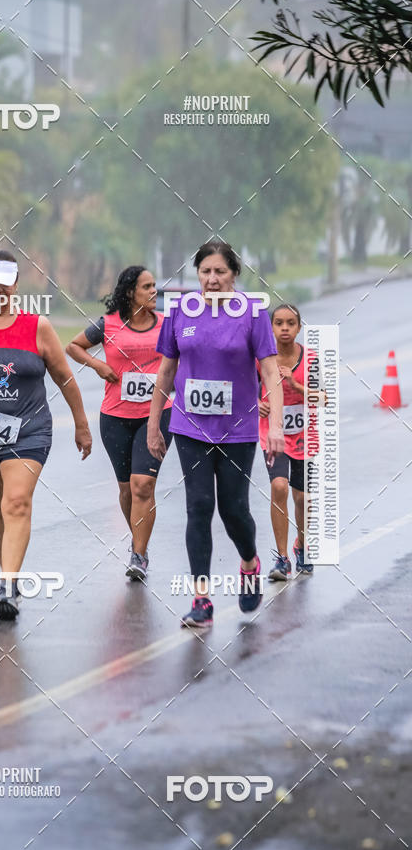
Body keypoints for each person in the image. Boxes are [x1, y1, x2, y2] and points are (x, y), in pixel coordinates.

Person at [0, 249, 92, 620]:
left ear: (16, 286)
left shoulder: (36, 327)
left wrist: (82, 423)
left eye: (4, 286)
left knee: (17, 502)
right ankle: (11, 575)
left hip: (29, 431)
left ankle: (6, 586)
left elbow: (64, 377)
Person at [147, 241, 284, 627]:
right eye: (205, 272)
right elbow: (166, 372)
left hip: (238, 429)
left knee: (234, 509)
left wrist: (274, 429)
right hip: (190, 427)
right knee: (199, 506)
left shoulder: (253, 313)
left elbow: (271, 372)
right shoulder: (180, 311)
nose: (212, 279)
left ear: (234, 274)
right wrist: (154, 425)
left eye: (219, 272)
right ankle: (201, 599)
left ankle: (249, 562)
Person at [66, 266, 173, 581]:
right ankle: (139, 542)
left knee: (143, 485)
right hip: (115, 416)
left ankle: (138, 555)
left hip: (156, 415)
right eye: (147, 286)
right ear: (130, 293)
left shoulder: (167, 325)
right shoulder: (108, 324)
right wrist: (98, 364)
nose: (154, 291)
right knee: (127, 490)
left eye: (155, 286)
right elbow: (73, 346)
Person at [258, 304, 318, 579]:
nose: (284, 328)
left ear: (299, 327)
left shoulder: (312, 358)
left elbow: (326, 398)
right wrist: (256, 403)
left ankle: (301, 545)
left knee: (302, 497)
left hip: (305, 436)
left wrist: (295, 386)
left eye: (290, 323)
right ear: (270, 328)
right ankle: (282, 558)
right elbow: (245, 389)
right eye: (279, 323)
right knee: (279, 487)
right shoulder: (261, 358)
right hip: (273, 433)